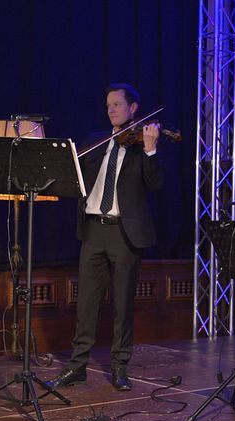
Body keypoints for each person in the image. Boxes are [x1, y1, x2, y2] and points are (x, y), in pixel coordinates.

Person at [47, 83, 163, 391]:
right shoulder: (95, 141)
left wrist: (151, 150)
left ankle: (120, 368)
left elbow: (155, 184)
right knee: (86, 302)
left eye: (117, 104)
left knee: (122, 306)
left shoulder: (142, 146)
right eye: (108, 105)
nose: (111, 109)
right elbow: (74, 179)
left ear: (133, 107)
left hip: (125, 234)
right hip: (93, 231)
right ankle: (77, 368)